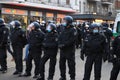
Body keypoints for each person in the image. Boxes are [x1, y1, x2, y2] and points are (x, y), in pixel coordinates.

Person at [58, 16, 77, 80]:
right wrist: (59, 44)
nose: (63, 22)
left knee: (71, 65)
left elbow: (72, 40)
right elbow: (59, 37)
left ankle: (72, 77)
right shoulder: (63, 28)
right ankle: (63, 76)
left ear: (69, 22)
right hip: (63, 50)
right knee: (61, 64)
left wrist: (64, 44)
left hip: (69, 50)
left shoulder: (73, 29)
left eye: (65, 21)